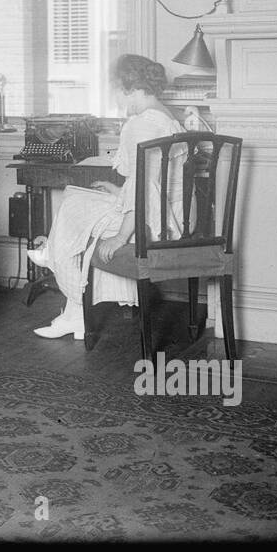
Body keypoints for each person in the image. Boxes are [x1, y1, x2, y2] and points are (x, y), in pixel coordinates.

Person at [26, 53, 185, 341]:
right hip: (169, 216)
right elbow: (151, 183)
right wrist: (118, 192)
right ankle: (73, 311)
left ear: (133, 90)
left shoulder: (140, 125)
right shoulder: (168, 118)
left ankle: (57, 266)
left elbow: (145, 189)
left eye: (119, 94)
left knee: (74, 204)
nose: (119, 102)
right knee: (81, 199)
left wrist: (121, 238)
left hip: (151, 223)